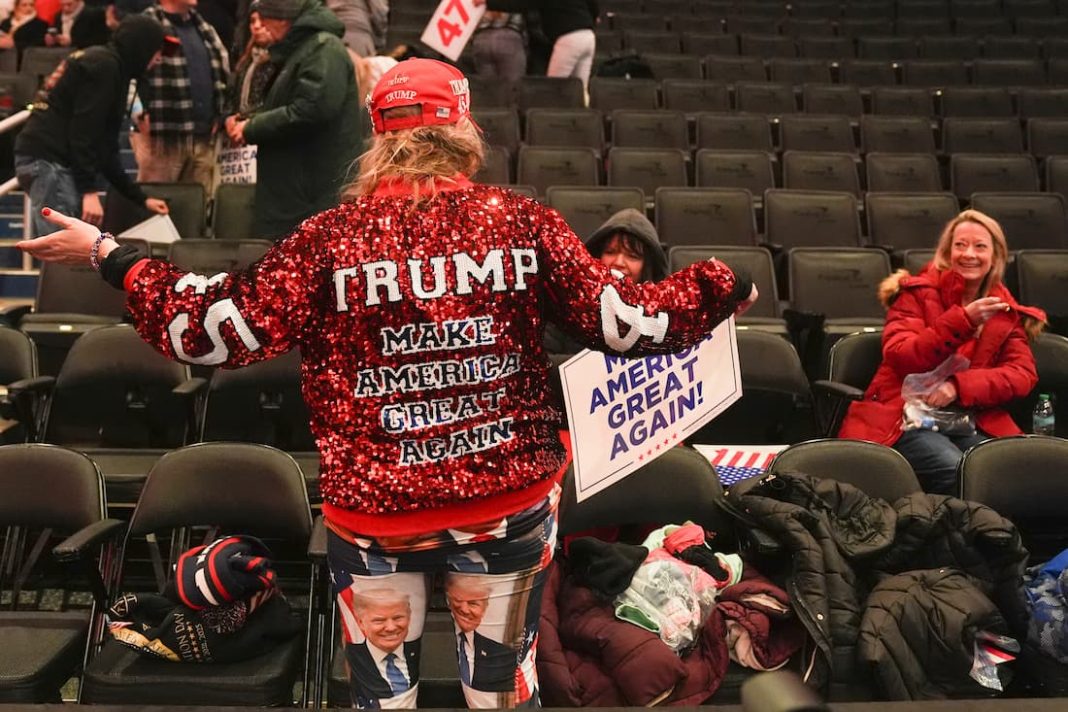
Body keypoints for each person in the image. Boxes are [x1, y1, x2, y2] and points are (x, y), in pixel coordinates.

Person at [16, 57, 757, 708]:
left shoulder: (328, 240)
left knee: (382, 695)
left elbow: (211, 330)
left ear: (378, 136)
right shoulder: (521, 224)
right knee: (500, 691)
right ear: (463, 131)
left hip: (376, 516)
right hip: (504, 509)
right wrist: (725, 287)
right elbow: (628, 322)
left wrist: (111, 255)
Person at [838, 210, 1047, 494]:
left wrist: (958, 386)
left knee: (1010, 471)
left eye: (980, 246)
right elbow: (901, 355)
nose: (968, 254)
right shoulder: (915, 294)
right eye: (960, 245)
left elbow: (1021, 374)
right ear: (947, 251)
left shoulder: (1004, 310)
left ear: (996, 256)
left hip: (969, 418)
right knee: (959, 471)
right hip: (904, 417)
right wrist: (964, 321)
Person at [14, 14, 170, 236]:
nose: (159, 58)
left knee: (66, 252)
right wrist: (89, 191)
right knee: (64, 254)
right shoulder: (105, 67)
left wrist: (141, 199)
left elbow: (106, 147)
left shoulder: (112, 67)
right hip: (50, 160)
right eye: (157, 49)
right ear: (142, 46)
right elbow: (84, 132)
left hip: (47, 157)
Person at [222, 0, 361, 240]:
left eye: (265, 18)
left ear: (283, 19)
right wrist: (250, 119)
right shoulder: (305, 49)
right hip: (299, 192)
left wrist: (253, 126)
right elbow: (294, 103)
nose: (260, 25)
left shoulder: (323, 49)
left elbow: (311, 109)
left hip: (311, 195)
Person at [135, 0, 230, 195]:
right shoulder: (146, 23)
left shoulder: (204, 27)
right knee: (155, 211)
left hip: (204, 138)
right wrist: (137, 110)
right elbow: (126, 69)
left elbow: (225, 75)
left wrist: (221, 114)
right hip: (161, 140)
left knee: (200, 211)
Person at [544, 207, 667, 357]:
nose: (619, 262)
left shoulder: (665, 315)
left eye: (632, 256)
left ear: (647, 267)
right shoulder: (567, 304)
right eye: (610, 252)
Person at [482, 0, 597, 91]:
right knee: (581, 88)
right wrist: (594, 16)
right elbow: (593, 4)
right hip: (588, 36)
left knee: (552, 88)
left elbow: (520, 4)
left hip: (569, 38)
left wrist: (488, 2)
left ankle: (553, 117)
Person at [348, 588, 420, 708]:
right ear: (361, 623)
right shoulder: (354, 654)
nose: (391, 627)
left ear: (409, 617)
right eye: (379, 621)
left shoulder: (413, 650)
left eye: (398, 618)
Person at [445, 575, 516, 697]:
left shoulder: (501, 654)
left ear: (485, 607)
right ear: (448, 601)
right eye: (458, 600)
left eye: (473, 603)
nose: (464, 609)